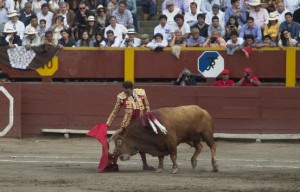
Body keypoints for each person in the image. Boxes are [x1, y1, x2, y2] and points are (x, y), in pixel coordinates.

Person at [105, 81, 155, 172]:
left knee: (140, 143)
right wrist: (107, 124)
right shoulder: (121, 97)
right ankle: (114, 164)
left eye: (128, 92)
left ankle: (145, 165)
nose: (126, 93)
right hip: (127, 124)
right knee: (119, 142)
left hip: (139, 124)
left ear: (132, 89)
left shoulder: (141, 93)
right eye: (125, 91)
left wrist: (147, 120)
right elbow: (115, 111)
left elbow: (147, 107)